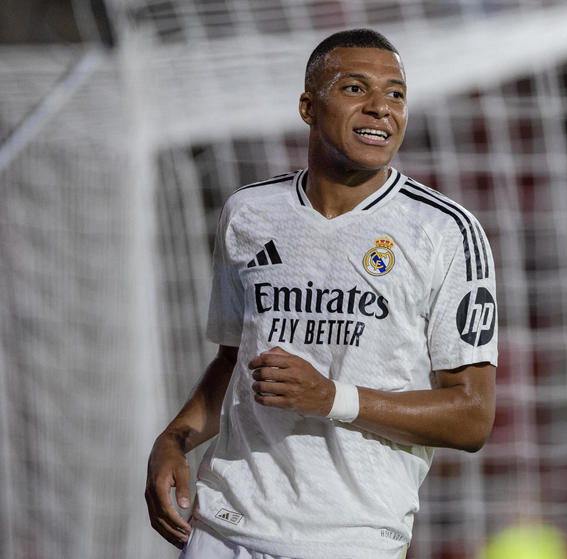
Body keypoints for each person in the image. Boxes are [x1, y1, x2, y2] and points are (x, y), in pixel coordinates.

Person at [145, 28, 498, 559]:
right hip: (222, 527)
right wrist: (174, 439)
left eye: (396, 93)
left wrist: (334, 399)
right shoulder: (249, 213)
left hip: (349, 539)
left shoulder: (446, 231)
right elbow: (234, 360)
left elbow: (472, 417)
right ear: (308, 107)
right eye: (356, 88)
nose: (381, 107)